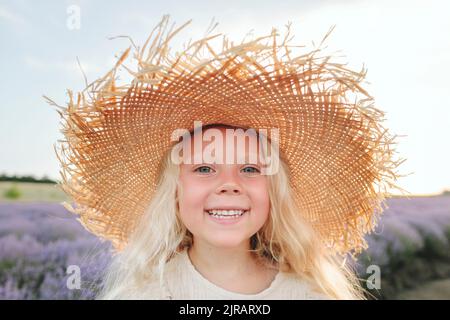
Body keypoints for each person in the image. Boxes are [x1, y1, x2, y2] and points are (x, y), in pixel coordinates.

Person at [52, 15, 407, 300]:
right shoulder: (145, 293)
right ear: (173, 192)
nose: (229, 185)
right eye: (204, 168)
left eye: (250, 168)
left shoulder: (311, 293)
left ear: (274, 192)